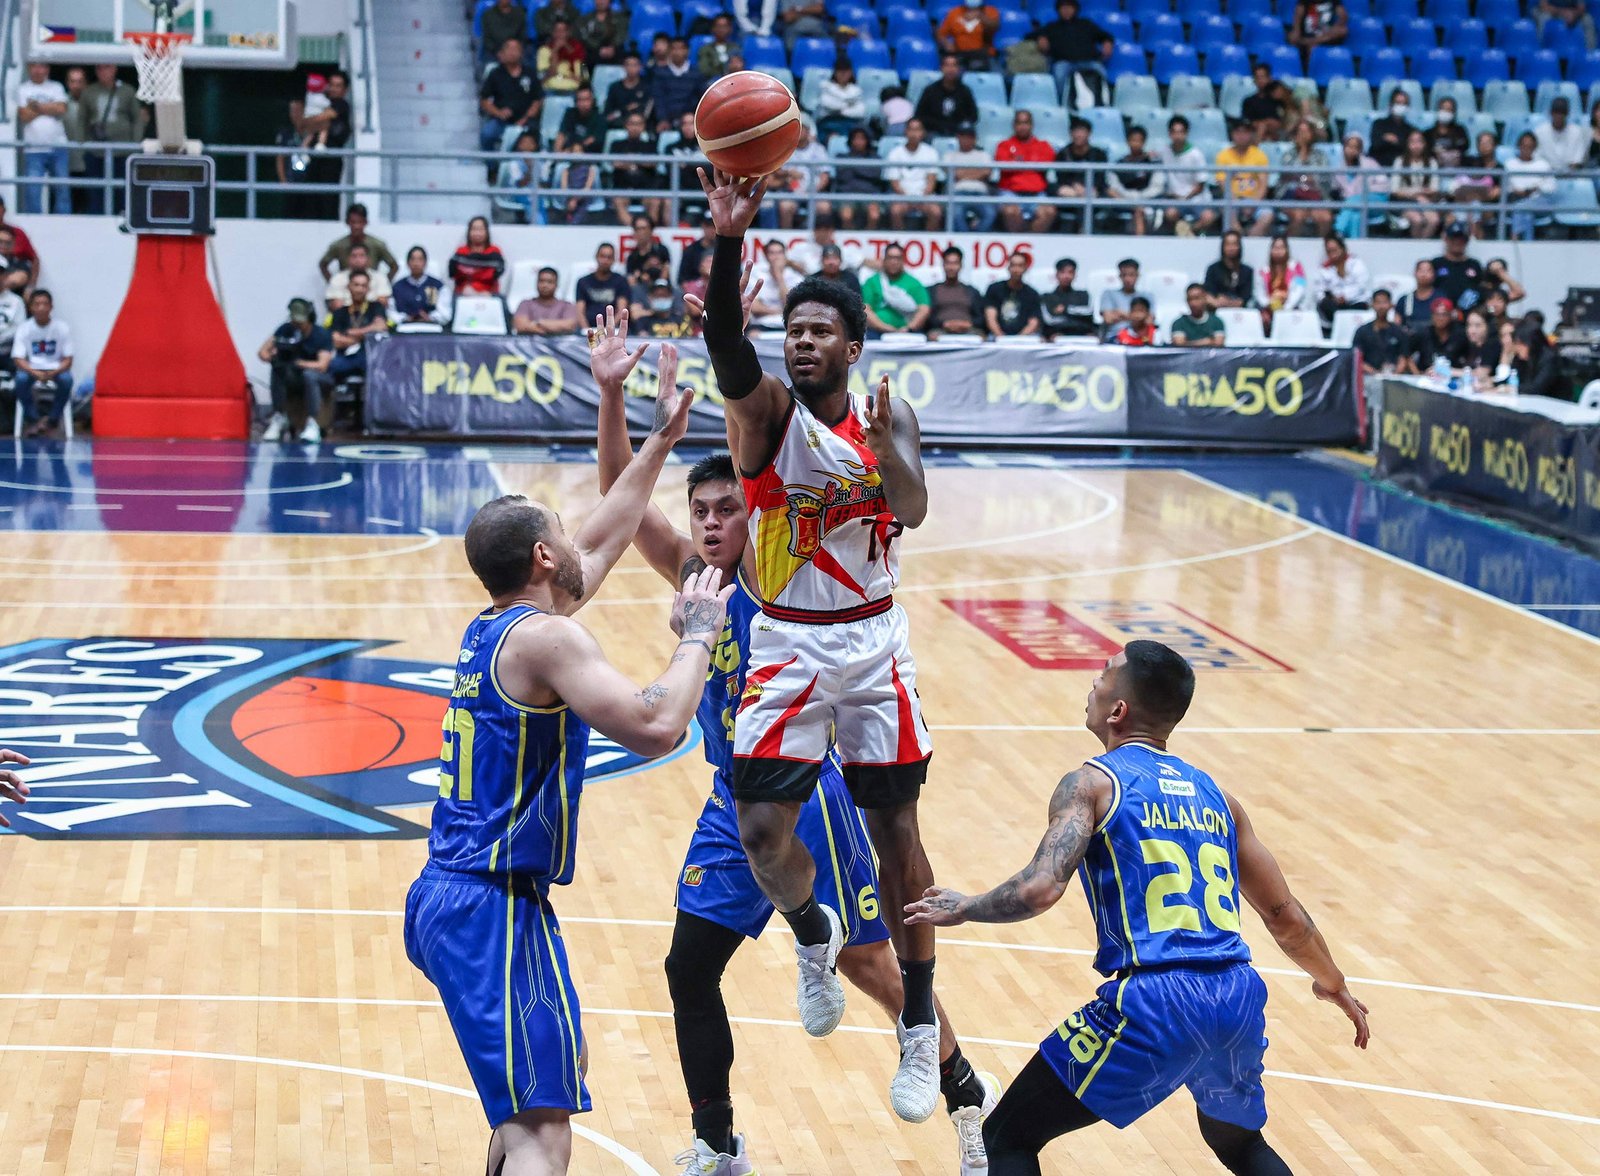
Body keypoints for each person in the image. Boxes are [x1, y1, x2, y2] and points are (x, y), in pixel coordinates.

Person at [590, 316, 999, 1174]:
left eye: (724, 508)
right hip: (731, 800)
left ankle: (965, 1097)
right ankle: (716, 1142)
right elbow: (620, 509)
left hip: (815, 795)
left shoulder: (785, 578)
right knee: (687, 967)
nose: (706, 524)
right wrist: (611, 395)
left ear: (759, 503)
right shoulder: (698, 579)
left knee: (873, 968)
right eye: (697, 512)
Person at [403, 373, 721, 1176]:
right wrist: (699, 637)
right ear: (544, 554)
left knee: (539, 1100)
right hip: (487, 904)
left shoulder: (504, 627)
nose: (582, 544)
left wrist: (658, 442)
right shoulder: (548, 641)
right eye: (564, 537)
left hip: (470, 894)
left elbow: (607, 537)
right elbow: (655, 726)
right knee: (541, 1135)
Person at [696, 163, 955, 1125]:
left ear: (851, 343)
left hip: (875, 641)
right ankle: (813, 930)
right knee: (765, 834)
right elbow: (726, 337)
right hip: (792, 642)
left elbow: (916, 509)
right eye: (792, 329)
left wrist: (889, 453)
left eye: (818, 331)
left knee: (899, 839)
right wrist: (730, 239)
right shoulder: (764, 417)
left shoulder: (891, 416)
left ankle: (919, 1025)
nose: (801, 341)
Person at [906, 641, 1372, 1174]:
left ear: (1118, 711)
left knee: (1005, 1139)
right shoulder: (1218, 797)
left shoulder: (1093, 783)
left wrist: (966, 906)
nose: (1093, 683)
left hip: (1156, 999)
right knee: (1240, 1145)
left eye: (1103, 676)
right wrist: (1332, 981)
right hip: (1237, 996)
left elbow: (1039, 890)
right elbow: (1283, 914)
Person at [257, 297, 332, 444]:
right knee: (278, 369)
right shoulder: (285, 330)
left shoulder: (320, 334)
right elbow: (262, 353)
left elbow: (322, 365)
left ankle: (313, 422)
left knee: (309, 375)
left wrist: (299, 363)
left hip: (319, 377)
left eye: (300, 322)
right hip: (294, 375)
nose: (297, 325)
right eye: (294, 321)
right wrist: (275, 357)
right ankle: (279, 416)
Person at [79, 63, 146, 216]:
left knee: (122, 188)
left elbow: (137, 118)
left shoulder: (127, 91)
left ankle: (123, 214)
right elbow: (82, 118)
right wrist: (82, 142)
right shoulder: (89, 92)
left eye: (107, 67)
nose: (103, 72)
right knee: (95, 189)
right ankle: (96, 216)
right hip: (96, 151)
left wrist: (135, 143)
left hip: (122, 151)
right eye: (99, 68)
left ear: (115, 69)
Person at [11, 289, 73, 437]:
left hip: (55, 368)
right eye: (37, 304)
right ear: (31, 307)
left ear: (51, 306)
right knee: (20, 380)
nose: (41, 308)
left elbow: (68, 360)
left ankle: (52, 419)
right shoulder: (24, 328)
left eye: (45, 304)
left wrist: (54, 372)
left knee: (67, 380)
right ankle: (34, 419)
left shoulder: (62, 328)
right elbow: (18, 358)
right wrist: (34, 372)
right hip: (33, 368)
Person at [15, 60, 71, 215]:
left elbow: (61, 109)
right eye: (35, 66)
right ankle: (34, 223)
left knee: (62, 190)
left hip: (58, 146)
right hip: (33, 149)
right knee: (33, 191)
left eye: (42, 66)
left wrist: (36, 106)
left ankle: (64, 222)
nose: (38, 70)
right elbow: (24, 115)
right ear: (29, 68)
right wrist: (49, 107)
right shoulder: (23, 89)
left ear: (47, 69)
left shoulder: (56, 86)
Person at [1037, 0, 1112, 107]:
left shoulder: (1086, 24)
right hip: (1064, 62)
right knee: (1059, 74)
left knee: (1101, 72)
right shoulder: (1052, 27)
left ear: (1075, 9)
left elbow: (1105, 36)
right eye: (1063, 8)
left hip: (1089, 61)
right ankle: (1062, 104)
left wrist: (1107, 43)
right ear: (1058, 10)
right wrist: (1041, 38)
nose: (1066, 10)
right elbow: (1032, 35)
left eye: (1069, 7)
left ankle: (1104, 102)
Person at [326, 271, 389, 391]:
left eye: (363, 286)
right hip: (346, 357)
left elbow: (381, 327)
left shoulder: (376, 307)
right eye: (356, 285)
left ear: (368, 288)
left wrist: (354, 333)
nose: (359, 289)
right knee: (332, 366)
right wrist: (365, 335)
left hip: (369, 355)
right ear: (349, 287)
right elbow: (336, 340)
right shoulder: (340, 312)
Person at [479, 38, 544, 153]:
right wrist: (498, 113)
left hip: (526, 120)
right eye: (509, 49)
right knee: (487, 134)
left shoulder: (530, 73)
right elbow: (484, 101)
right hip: (501, 121)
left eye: (516, 49)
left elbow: (538, 100)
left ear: (521, 53)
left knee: (535, 138)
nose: (512, 52)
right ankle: (492, 168)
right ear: (502, 53)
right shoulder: (495, 74)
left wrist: (525, 119)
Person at [996, 110, 1057, 233]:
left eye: (1026, 123)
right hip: (1011, 193)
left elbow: (1046, 164)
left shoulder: (1043, 145)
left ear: (1032, 125)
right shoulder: (1004, 145)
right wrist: (1031, 164)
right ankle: (1019, 243)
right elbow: (1004, 165)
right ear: (1014, 125)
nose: (1022, 127)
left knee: (1049, 211)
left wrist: (1018, 163)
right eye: (1019, 123)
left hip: (1037, 194)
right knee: (1010, 211)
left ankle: (1031, 242)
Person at [1158, 115, 1218, 238]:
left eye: (1181, 132)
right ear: (1169, 134)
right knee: (1170, 214)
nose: (1177, 136)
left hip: (1197, 199)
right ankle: (1186, 232)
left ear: (1186, 133)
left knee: (1208, 217)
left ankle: (1188, 231)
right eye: (1174, 132)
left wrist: (1185, 197)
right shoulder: (1164, 151)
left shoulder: (1196, 154)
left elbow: (1200, 185)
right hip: (1175, 200)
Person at [1215, 121, 1274, 237]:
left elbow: (1263, 184)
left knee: (1268, 215)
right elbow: (1223, 184)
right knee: (1228, 211)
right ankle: (1238, 238)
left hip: (1255, 199)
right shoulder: (1223, 156)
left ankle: (1252, 238)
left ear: (1251, 134)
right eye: (1238, 132)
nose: (1241, 136)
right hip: (1232, 200)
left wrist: (1253, 204)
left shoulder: (1259, 155)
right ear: (1232, 134)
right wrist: (1235, 201)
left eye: (1245, 132)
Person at [770, 120, 831, 230]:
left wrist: (813, 190)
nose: (800, 131)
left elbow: (825, 177)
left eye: (803, 128)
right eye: (797, 128)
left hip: (814, 191)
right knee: (785, 206)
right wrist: (789, 173)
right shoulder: (786, 147)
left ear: (808, 131)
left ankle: (820, 238)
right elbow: (776, 171)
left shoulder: (818, 149)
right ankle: (786, 236)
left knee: (824, 207)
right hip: (791, 191)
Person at [862, 242, 932, 336]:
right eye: (890, 258)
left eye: (897, 258)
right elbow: (866, 309)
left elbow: (924, 309)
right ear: (884, 260)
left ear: (903, 261)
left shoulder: (914, 283)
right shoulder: (872, 282)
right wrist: (883, 327)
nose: (894, 262)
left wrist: (909, 328)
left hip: (908, 332)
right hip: (877, 332)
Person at [886, 118, 944, 230]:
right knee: (895, 211)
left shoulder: (930, 152)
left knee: (935, 211)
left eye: (917, 130)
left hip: (925, 197)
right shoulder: (895, 153)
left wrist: (920, 199)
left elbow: (931, 182)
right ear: (905, 132)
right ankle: (900, 241)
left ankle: (928, 241)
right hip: (901, 197)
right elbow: (895, 184)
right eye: (911, 130)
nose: (914, 134)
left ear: (923, 133)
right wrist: (908, 199)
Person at [1278, 120, 1332, 238]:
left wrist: (1309, 178)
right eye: (1300, 131)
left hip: (1315, 196)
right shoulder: (1288, 155)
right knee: (1299, 215)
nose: (1303, 135)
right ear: (1295, 134)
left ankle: (1323, 250)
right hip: (1292, 196)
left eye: (1307, 131)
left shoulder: (1320, 155)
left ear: (1312, 134)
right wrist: (1302, 151)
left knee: (1325, 217)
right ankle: (1290, 249)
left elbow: (1324, 178)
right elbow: (1287, 175)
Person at [1053, 117, 1107, 234]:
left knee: (1093, 197)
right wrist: (1075, 187)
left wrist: (1088, 188)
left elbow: (1100, 178)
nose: (1078, 135)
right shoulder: (1063, 154)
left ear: (1089, 133)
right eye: (1076, 131)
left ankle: (1086, 233)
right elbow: (1061, 177)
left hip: (1092, 192)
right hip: (1069, 192)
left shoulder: (1099, 154)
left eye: (1082, 131)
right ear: (1070, 133)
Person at [609, 111, 664, 225]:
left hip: (646, 189)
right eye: (632, 123)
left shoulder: (650, 145)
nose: (635, 127)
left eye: (638, 124)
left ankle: (648, 231)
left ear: (643, 126)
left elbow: (653, 163)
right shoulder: (617, 144)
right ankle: (636, 231)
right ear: (626, 125)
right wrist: (640, 160)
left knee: (655, 202)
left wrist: (629, 160)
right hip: (622, 188)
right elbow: (615, 163)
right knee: (618, 201)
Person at [319, 204, 399, 281]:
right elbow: (323, 264)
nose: (356, 226)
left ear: (366, 222)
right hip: (346, 288)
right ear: (347, 222)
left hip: (371, 288)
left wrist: (383, 284)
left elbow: (394, 266)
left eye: (360, 222)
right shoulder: (339, 245)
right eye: (353, 222)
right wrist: (333, 283)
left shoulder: (377, 244)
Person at [1330, 132, 1388, 239]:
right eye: (1349, 146)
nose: (1352, 150)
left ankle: (1338, 231)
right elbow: (1335, 189)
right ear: (1344, 148)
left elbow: (1383, 185)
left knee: (1352, 201)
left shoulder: (1370, 163)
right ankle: (1355, 243)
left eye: (1355, 147)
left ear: (1360, 149)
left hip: (1374, 200)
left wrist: (1365, 190)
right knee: (1356, 216)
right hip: (1354, 207)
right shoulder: (1338, 169)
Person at [1103, 125, 1159, 236]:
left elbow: (1157, 187)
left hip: (1146, 202)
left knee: (1139, 211)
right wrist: (1130, 200)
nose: (1136, 144)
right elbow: (1114, 187)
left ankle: (1140, 245)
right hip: (1123, 201)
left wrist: (1139, 199)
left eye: (1139, 141)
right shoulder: (1120, 164)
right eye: (1133, 140)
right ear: (1127, 141)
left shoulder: (1151, 163)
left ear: (1144, 142)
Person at [924, 246, 987, 339]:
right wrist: (944, 324)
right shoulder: (933, 290)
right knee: (932, 336)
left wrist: (967, 324)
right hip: (940, 330)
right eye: (948, 263)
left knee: (981, 337)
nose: (951, 267)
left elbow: (981, 318)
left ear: (961, 266)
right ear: (943, 265)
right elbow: (927, 318)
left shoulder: (972, 291)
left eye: (955, 263)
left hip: (968, 330)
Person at [1504, 131, 1556, 241]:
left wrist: (1535, 189)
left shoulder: (1543, 165)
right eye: (1524, 146)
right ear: (1519, 146)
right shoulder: (1510, 164)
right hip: (1516, 200)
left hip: (1539, 202)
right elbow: (1506, 187)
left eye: (1530, 146)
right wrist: (1516, 191)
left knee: (1521, 207)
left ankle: (1515, 238)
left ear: (1534, 147)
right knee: (1527, 214)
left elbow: (1551, 188)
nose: (1526, 149)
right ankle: (1528, 245)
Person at [830, 127, 886, 229]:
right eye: (855, 138)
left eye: (862, 139)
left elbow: (875, 174)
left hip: (870, 195)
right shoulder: (841, 157)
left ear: (868, 141)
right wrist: (865, 168)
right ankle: (849, 240)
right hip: (847, 195)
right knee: (846, 216)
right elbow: (843, 176)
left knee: (874, 215)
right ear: (850, 140)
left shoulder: (876, 158)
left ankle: (868, 237)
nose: (858, 142)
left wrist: (852, 166)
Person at [1312, 232, 1369, 329]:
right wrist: (1334, 298)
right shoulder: (1324, 269)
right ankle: (1340, 327)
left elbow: (1361, 286)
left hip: (1354, 302)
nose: (1332, 254)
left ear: (1342, 248)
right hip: (1335, 306)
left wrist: (1345, 296)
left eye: (1335, 250)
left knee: (1361, 304)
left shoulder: (1355, 263)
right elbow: (1319, 291)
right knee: (1324, 304)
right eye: (1329, 251)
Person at [944, 123, 995, 232]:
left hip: (980, 193)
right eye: (963, 135)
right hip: (958, 193)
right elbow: (954, 174)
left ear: (975, 138)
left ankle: (977, 238)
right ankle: (964, 240)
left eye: (970, 136)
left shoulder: (983, 155)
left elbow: (987, 172)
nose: (966, 139)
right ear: (958, 137)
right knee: (956, 214)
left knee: (990, 214)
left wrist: (963, 174)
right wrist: (977, 173)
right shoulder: (949, 156)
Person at [913, 55, 979, 139]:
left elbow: (973, 116)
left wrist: (959, 126)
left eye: (954, 65)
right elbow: (919, 115)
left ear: (958, 69)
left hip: (958, 133)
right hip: (933, 132)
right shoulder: (930, 90)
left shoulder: (965, 91)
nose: (950, 69)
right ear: (941, 68)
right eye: (947, 65)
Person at [1391, 130, 1441, 239]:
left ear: (1424, 144)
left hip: (1426, 201)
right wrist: (1417, 195)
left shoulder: (1431, 162)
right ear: (1408, 144)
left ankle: (1422, 248)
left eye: (1419, 142)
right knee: (1417, 220)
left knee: (1434, 220)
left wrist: (1420, 196)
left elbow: (1434, 188)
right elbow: (1395, 190)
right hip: (1405, 202)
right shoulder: (1400, 161)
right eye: (1412, 142)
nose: (1416, 145)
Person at [649, 37, 706, 133]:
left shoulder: (697, 74)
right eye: (674, 48)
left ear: (687, 51)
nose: (677, 52)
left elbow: (700, 99)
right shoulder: (659, 74)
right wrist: (662, 119)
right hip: (667, 121)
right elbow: (659, 99)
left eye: (681, 48)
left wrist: (692, 119)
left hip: (691, 121)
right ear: (669, 51)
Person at [983, 252, 1042, 338]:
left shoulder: (1032, 294)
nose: (1016, 269)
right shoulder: (994, 289)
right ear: (1008, 267)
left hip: (1023, 338)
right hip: (997, 336)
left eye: (1020, 266)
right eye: (1013, 265)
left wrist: (1018, 340)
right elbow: (990, 319)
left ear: (1025, 268)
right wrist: (1001, 337)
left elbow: (1034, 322)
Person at [1353, 288, 1412, 375]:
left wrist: (1394, 375)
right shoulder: (1362, 331)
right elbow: (1357, 358)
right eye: (1378, 302)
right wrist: (1375, 374)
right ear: (1372, 304)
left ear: (1391, 305)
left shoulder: (1399, 331)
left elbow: (1403, 357)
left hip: (1394, 377)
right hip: (1369, 377)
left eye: (1384, 302)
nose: (1381, 306)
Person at [1253, 234, 1309, 324]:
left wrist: (1285, 308)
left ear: (1287, 250)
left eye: (1281, 248)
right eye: (1275, 248)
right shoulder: (1264, 270)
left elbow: (1300, 289)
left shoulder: (1297, 268)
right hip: (1270, 308)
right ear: (1271, 250)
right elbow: (1259, 293)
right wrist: (1269, 304)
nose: (1278, 251)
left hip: (1291, 308)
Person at [1431, 224, 1487, 311]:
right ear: (1446, 239)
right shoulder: (1436, 263)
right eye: (1453, 238)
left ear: (1467, 241)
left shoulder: (1475, 265)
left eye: (1461, 239)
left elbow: (1481, 290)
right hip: (1440, 313)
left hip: (1468, 315)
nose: (1457, 242)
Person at [392, 246, 451, 326]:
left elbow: (445, 314)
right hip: (404, 329)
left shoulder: (436, 285)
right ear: (408, 263)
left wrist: (430, 317)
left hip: (431, 328)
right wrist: (406, 318)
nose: (416, 263)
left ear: (425, 263)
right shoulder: (397, 287)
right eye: (413, 259)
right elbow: (391, 313)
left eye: (420, 259)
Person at [324, 243, 394, 310]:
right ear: (348, 259)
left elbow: (383, 302)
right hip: (345, 317)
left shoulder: (380, 278)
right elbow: (337, 305)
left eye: (361, 256)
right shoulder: (337, 278)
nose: (358, 260)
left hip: (373, 316)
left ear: (368, 259)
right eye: (354, 256)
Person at [938, 0, 1001, 71]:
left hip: (984, 54)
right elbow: (941, 34)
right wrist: (947, 44)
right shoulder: (954, 12)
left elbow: (995, 27)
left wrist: (981, 16)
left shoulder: (990, 11)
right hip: (960, 54)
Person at [1040, 257, 1096, 339]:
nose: (1066, 276)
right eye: (1062, 272)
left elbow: (1088, 313)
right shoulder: (1047, 297)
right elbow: (1050, 320)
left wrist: (1065, 310)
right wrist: (1076, 316)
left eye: (1070, 272)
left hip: (1082, 334)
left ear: (1075, 275)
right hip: (1057, 334)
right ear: (1056, 275)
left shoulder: (1083, 295)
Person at [513, 267, 580, 335]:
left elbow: (570, 325)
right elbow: (520, 326)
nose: (545, 285)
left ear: (556, 285)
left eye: (549, 282)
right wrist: (554, 328)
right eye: (541, 281)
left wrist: (538, 322)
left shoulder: (567, 306)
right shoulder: (525, 304)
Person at [576, 243, 632, 324]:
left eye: (609, 257)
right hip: (588, 330)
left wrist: (608, 331)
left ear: (614, 260)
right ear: (596, 257)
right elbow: (580, 312)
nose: (605, 261)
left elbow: (621, 311)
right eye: (602, 256)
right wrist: (588, 332)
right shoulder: (583, 281)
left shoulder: (621, 281)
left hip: (613, 329)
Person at [449, 217, 505, 297]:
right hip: (464, 292)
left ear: (486, 232)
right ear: (469, 232)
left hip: (489, 293)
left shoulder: (495, 251)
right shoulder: (461, 251)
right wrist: (482, 272)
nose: (477, 233)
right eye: (474, 229)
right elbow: (452, 273)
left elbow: (496, 274)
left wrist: (470, 273)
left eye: (481, 229)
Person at [1409, 297, 1467, 373]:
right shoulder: (1423, 333)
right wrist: (1417, 374)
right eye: (1437, 314)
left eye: (1444, 314)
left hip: (1453, 377)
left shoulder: (1460, 334)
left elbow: (1469, 358)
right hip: (1426, 378)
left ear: (1450, 315)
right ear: (1432, 316)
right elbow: (1406, 354)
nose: (1440, 318)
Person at [1509, 319, 1564, 397]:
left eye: (1520, 344)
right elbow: (1512, 378)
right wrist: (1494, 385)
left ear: (1532, 343)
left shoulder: (1550, 359)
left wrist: (1511, 389)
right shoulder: (1520, 359)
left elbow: (1537, 388)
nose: (1517, 348)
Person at [1287, 0, 1348, 68]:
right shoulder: (1303, 2)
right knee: (1293, 38)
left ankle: (1308, 42)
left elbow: (1343, 16)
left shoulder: (1334, 1)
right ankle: (1310, 71)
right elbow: (1297, 20)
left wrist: (1335, 27)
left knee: (1342, 30)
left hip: (1326, 35)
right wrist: (1296, 31)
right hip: (1309, 35)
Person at [816, 60, 866, 142]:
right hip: (830, 122)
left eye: (846, 71)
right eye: (840, 71)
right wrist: (849, 104)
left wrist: (840, 109)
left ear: (850, 73)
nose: (843, 74)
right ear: (835, 73)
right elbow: (827, 104)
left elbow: (860, 111)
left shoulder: (856, 91)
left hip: (851, 124)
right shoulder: (826, 87)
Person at [1204, 231, 1255, 310]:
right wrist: (1216, 302)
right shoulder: (1213, 269)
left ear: (1239, 246)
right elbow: (1208, 294)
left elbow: (1245, 298)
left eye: (1234, 244)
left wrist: (1229, 303)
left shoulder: (1247, 271)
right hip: (1216, 310)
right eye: (1228, 244)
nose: (1231, 248)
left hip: (1240, 312)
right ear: (1223, 247)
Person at [1535, 97, 1587, 173]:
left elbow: (1578, 158)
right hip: (1546, 174)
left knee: (1583, 184)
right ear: (1551, 113)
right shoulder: (1540, 132)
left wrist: (1568, 172)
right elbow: (1537, 157)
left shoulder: (1576, 132)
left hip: (1571, 174)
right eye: (1556, 113)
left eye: (1562, 113)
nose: (1559, 116)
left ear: (1567, 114)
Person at [1242, 63, 1289, 143]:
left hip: (1278, 133)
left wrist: (1272, 124)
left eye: (1263, 77)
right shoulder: (1248, 101)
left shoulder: (1278, 99)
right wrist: (1264, 124)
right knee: (1261, 128)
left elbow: (1284, 120)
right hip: (1256, 133)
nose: (1260, 81)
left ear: (1269, 78)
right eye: (1257, 78)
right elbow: (1247, 122)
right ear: (1254, 80)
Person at [1098, 257, 1150, 331]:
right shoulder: (1109, 294)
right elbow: (1108, 319)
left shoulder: (1147, 296)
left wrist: (1121, 314)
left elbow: (1149, 321)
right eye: (1124, 275)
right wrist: (1138, 316)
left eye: (1131, 275)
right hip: (1114, 338)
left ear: (1138, 275)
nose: (1127, 279)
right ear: (1119, 276)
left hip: (1139, 339)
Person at [605, 52, 654, 129]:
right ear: (623, 67)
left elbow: (648, 111)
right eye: (628, 65)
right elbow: (609, 114)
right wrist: (625, 110)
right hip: (618, 125)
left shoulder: (647, 88)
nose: (631, 68)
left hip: (641, 127)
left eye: (635, 65)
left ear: (640, 67)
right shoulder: (614, 87)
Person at [0, 199, 40, 292]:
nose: (4, 245)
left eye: (7, 242)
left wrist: (31, 287)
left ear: (4, 210)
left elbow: (34, 260)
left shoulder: (17, 233)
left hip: (14, 289)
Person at [554, 85, 606, 153]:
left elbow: (592, 140)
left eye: (586, 99)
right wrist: (557, 152)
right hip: (569, 153)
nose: (583, 103)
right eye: (580, 100)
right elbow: (561, 134)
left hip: (590, 156)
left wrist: (574, 149)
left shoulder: (600, 118)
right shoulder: (570, 114)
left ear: (593, 100)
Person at [578, 0, 628, 65]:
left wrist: (612, 47)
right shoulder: (586, 19)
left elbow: (621, 34)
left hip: (615, 53)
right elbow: (584, 36)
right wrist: (599, 48)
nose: (601, 2)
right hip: (593, 54)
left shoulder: (620, 18)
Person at [1459, 307, 1500, 387]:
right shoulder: (1469, 344)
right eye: (1469, 325)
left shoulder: (1493, 345)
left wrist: (1449, 371)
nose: (1472, 330)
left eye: (1477, 326)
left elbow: (1481, 374)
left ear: (1488, 326)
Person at [624, 215, 672, 282]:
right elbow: (631, 279)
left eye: (644, 228)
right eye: (638, 229)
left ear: (651, 230)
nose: (641, 232)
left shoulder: (661, 250)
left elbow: (666, 272)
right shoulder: (632, 257)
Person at [1427, 97, 1469, 173]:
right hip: (1435, 169)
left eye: (1449, 110)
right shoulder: (1428, 133)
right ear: (1438, 110)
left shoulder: (1460, 130)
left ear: (1453, 113)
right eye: (1443, 109)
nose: (1446, 112)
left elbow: (1464, 147)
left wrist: (1449, 154)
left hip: (1456, 168)